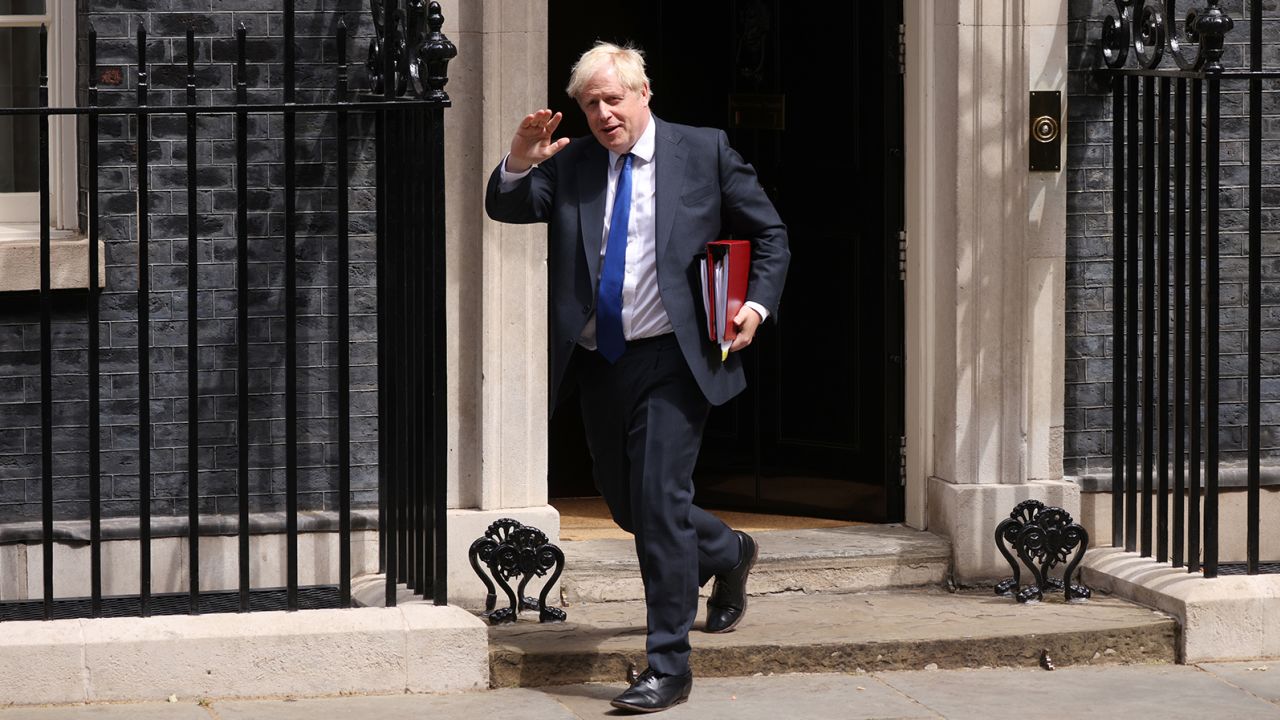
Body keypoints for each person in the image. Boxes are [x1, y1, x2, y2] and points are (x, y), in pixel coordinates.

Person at [485, 41, 789, 713]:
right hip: (601, 362)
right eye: (590, 104)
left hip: (675, 360)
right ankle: (727, 549)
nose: (602, 113)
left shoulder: (702, 152)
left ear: (644, 93)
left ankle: (667, 666)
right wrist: (517, 160)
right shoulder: (575, 165)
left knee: (656, 502)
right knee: (629, 506)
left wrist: (755, 305)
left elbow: (771, 235)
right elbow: (507, 207)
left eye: (613, 99)